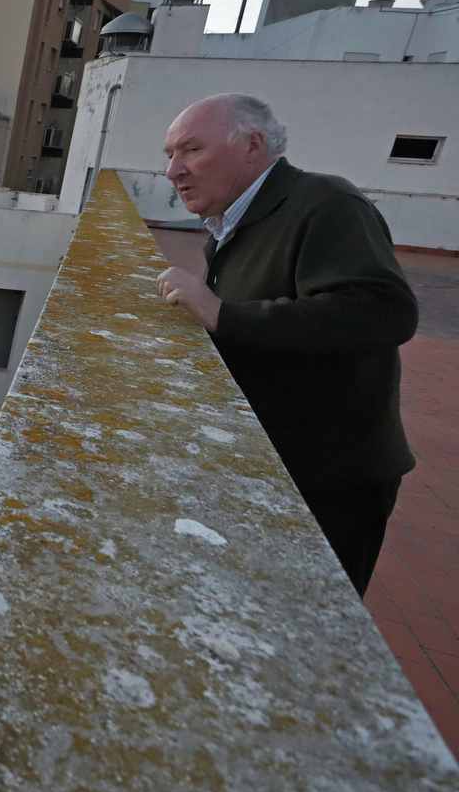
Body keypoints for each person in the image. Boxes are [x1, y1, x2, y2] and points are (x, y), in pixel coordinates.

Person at [155, 93, 418, 597]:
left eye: (191, 150)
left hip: (327, 481)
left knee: (310, 635)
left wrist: (220, 313)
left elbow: (382, 310)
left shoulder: (327, 203)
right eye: (170, 155)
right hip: (276, 467)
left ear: (252, 146)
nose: (173, 170)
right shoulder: (237, 220)